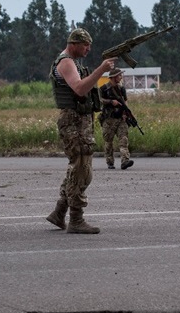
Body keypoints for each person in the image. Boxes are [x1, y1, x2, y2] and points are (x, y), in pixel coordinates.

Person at [46, 28, 116, 234]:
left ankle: (59, 212)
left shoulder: (72, 62)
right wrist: (101, 70)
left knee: (77, 167)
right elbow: (79, 88)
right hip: (73, 122)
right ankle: (76, 219)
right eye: (86, 45)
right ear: (74, 43)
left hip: (79, 121)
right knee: (82, 169)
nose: (89, 48)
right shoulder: (66, 62)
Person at [99, 68, 134, 170]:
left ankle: (125, 161)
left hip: (121, 119)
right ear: (114, 77)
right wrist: (110, 102)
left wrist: (126, 112)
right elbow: (100, 100)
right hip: (109, 119)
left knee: (124, 140)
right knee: (108, 141)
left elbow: (125, 101)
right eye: (119, 75)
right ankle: (110, 162)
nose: (121, 77)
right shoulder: (104, 88)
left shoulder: (121, 88)